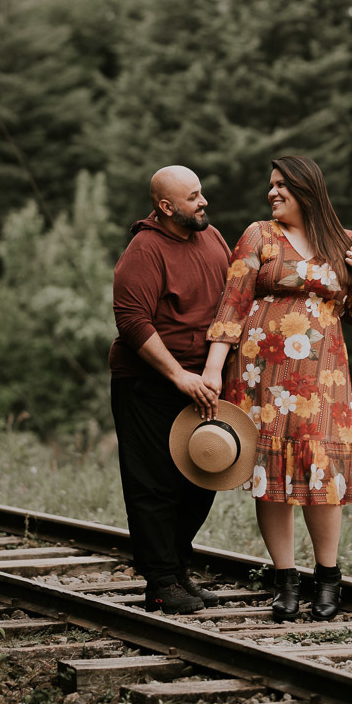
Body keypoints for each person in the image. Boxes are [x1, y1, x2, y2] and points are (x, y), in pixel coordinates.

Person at [202, 156, 352, 622]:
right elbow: (232, 305)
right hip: (262, 376)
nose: (273, 192)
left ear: (307, 189)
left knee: (321, 475)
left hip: (324, 378)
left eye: (282, 184)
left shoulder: (344, 242)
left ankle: (328, 578)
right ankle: (285, 579)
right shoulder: (259, 235)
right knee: (271, 477)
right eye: (271, 185)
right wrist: (213, 371)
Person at [109, 165, 230, 614]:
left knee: (202, 477)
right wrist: (179, 375)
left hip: (205, 382)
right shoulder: (145, 250)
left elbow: (232, 303)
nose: (203, 202)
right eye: (193, 196)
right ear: (165, 206)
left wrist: (212, 371)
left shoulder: (212, 238)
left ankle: (177, 570)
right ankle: (160, 582)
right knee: (154, 484)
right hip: (149, 384)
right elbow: (132, 321)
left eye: (201, 193)